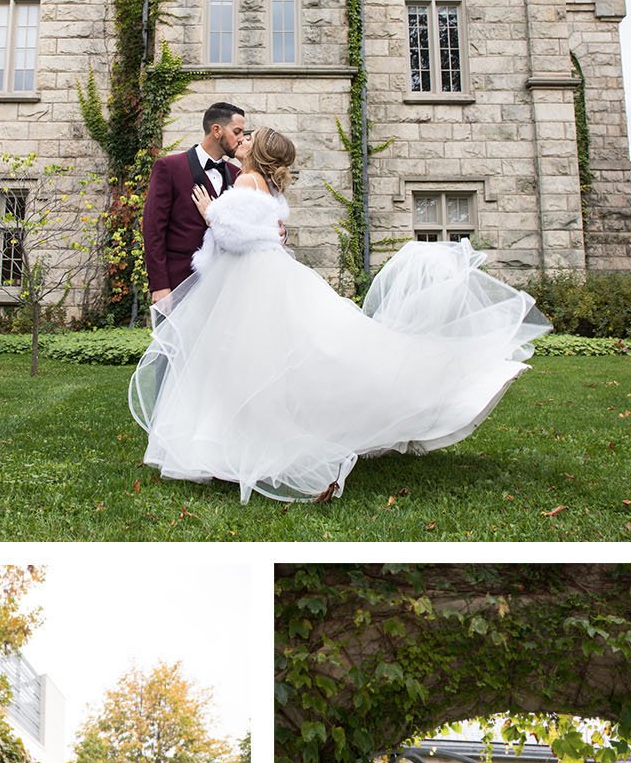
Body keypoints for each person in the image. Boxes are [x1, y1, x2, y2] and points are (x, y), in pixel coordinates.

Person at [128, 124, 550, 505]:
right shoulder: (265, 186)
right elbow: (266, 232)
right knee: (279, 359)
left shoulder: (246, 180)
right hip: (266, 276)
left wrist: (210, 214)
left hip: (252, 283)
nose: (244, 139)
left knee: (246, 364)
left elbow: (236, 239)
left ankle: (235, 447)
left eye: (250, 137)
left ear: (258, 153)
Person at [142, 100, 245, 303]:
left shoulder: (237, 175)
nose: (241, 139)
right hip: (178, 283)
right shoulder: (169, 167)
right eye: (237, 131)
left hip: (223, 287)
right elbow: (153, 229)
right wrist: (160, 284)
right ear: (217, 130)